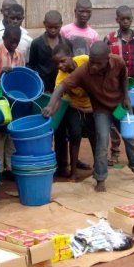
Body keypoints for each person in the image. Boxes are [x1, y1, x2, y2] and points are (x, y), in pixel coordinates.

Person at [43, 41, 134, 192]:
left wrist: (126, 97)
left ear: (107, 60)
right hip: (101, 109)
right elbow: (61, 87)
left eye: (97, 64)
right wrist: (50, 105)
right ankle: (100, 178)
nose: (93, 66)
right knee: (102, 141)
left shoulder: (118, 62)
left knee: (130, 138)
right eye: (91, 62)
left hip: (119, 106)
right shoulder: (84, 70)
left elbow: (124, 77)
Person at [52, 43, 96, 180]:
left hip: (93, 104)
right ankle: (74, 171)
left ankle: (99, 166)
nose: (60, 66)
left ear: (71, 56)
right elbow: (59, 96)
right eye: (57, 63)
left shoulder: (85, 60)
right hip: (75, 106)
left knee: (94, 135)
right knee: (74, 134)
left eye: (63, 61)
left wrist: (93, 108)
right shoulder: (61, 77)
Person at [107, 5, 134, 165]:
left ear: (132, 19)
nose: (126, 21)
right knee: (117, 118)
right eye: (123, 18)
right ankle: (115, 152)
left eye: (129, 18)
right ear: (117, 19)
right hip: (116, 87)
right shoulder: (110, 39)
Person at [0, 26, 25, 175]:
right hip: (0, 98)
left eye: (16, 42)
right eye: (11, 41)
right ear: (4, 38)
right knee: (0, 134)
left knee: (12, 133)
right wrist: (0, 75)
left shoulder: (19, 54)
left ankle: (10, 166)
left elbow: (22, 75)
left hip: (15, 99)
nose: (14, 44)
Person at [28, 10, 68, 93]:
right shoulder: (36, 43)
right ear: (44, 24)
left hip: (62, 87)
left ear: (61, 24)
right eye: (50, 27)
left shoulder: (67, 44)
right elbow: (32, 66)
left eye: (56, 27)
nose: (53, 30)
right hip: (42, 88)